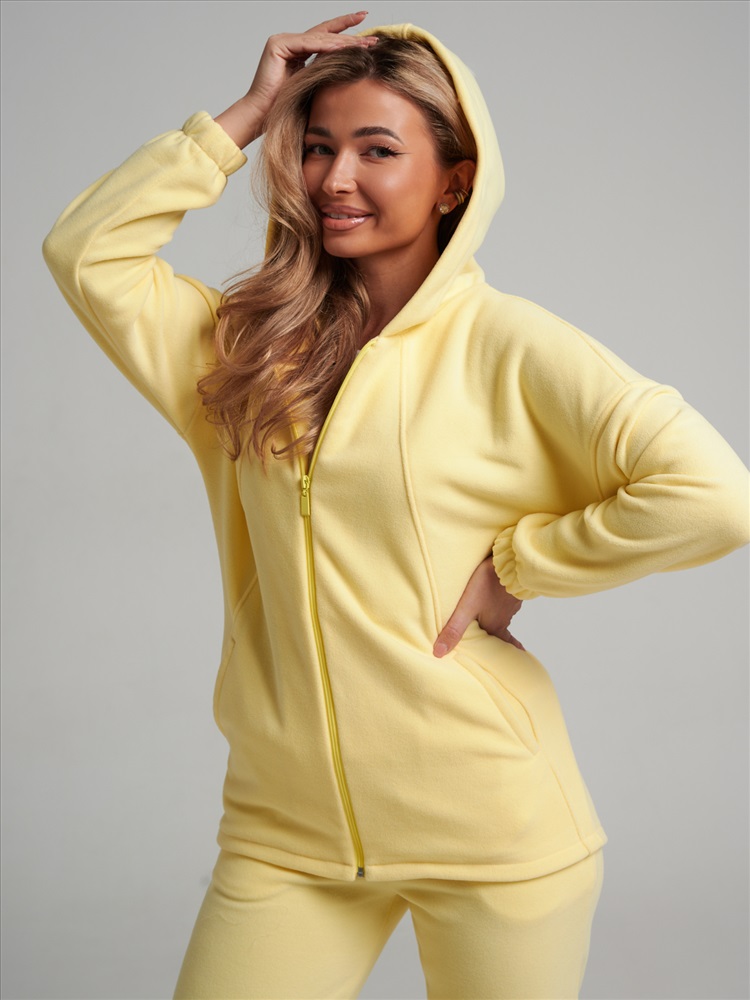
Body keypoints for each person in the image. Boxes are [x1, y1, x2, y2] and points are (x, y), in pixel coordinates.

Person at [42, 12, 748, 1000]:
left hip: (493, 835)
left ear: (454, 180)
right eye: (317, 146)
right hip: (285, 834)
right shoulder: (243, 352)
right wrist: (246, 115)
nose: (336, 178)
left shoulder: (509, 345)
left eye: (378, 150)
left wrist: (521, 565)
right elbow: (87, 252)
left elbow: (715, 497)